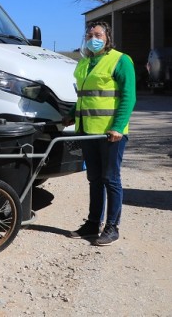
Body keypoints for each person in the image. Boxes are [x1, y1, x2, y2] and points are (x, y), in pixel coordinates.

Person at [64, 21, 135, 246]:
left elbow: (128, 96)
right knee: (94, 179)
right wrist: (71, 114)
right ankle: (93, 223)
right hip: (87, 131)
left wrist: (118, 126)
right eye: (89, 34)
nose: (93, 38)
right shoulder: (85, 62)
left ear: (107, 38)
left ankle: (112, 227)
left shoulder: (121, 60)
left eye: (98, 34)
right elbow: (85, 96)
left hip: (110, 133)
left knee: (110, 179)